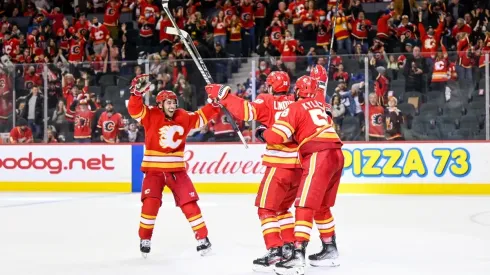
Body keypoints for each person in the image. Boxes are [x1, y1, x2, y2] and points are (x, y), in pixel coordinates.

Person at [205, 71, 301, 272]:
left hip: (278, 165)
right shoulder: (296, 101)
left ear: (272, 87)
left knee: (266, 209)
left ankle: (275, 250)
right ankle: (291, 248)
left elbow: (246, 111)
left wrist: (224, 96)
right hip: (299, 167)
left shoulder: (267, 100)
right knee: (282, 209)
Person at [257, 75, 344, 275]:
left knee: (304, 205)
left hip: (318, 153)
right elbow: (326, 116)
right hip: (337, 154)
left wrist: (263, 133)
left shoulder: (295, 107)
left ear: (297, 92)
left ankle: (297, 254)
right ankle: (330, 248)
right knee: (322, 206)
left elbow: (277, 136)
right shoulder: (321, 106)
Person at [127, 74, 221, 258]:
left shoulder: (183, 116)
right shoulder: (151, 114)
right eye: (168, 102)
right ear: (160, 105)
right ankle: (145, 238)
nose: (172, 105)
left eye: (174, 102)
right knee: (150, 205)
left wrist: (215, 104)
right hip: (154, 172)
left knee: (190, 204)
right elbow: (134, 110)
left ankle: (203, 239)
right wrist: (136, 93)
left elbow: (201, 117)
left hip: (177, 171)